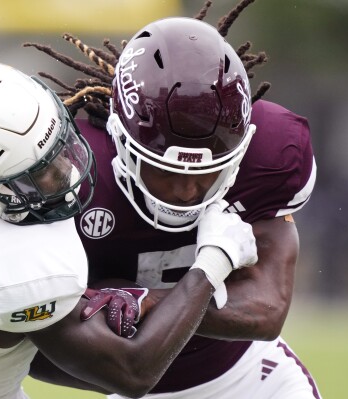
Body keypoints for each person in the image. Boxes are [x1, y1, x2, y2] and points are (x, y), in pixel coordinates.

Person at [0, 59, 259, 399]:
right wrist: (211, 263)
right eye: (41, 172)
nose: (68, 171)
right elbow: (131, 373)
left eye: (59, 146)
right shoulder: (12, 271)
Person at [25, 1, 322, 398]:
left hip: (248, 377)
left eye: (205, 171)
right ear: (121, 141)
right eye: (166, 171)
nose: (186, 191)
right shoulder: (70, 175)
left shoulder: (271, 152)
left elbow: (266, 310)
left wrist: (145, 300)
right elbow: (43, 349)